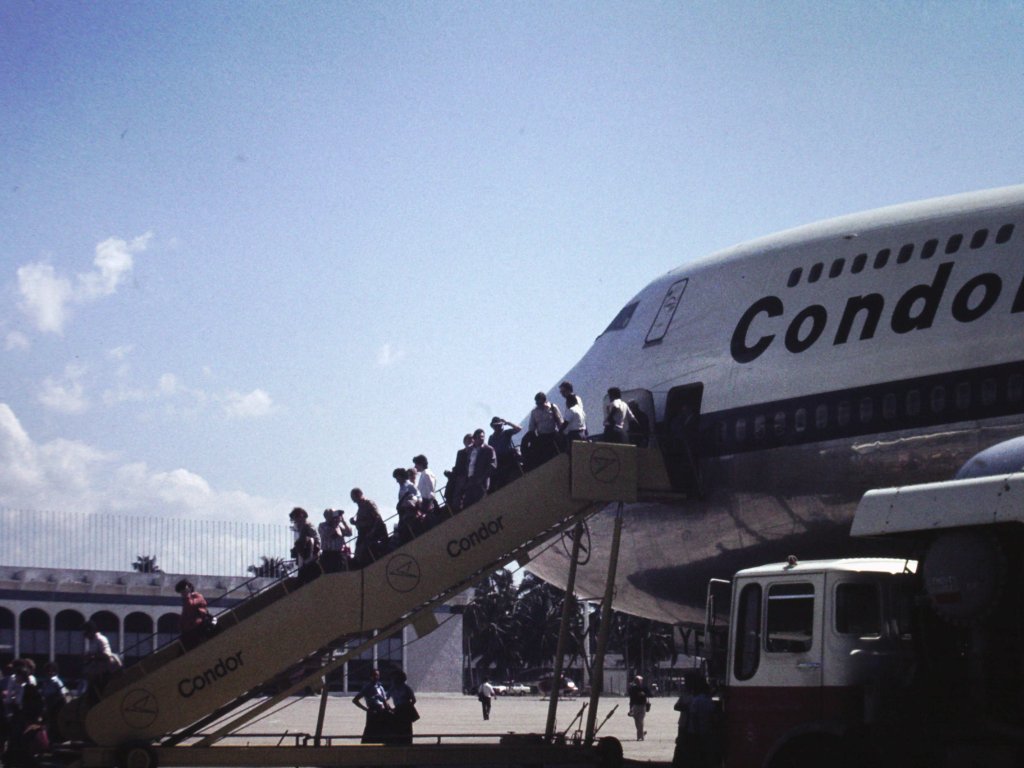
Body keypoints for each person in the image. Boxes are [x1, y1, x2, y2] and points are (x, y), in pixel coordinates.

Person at [673, 672, 716, 768]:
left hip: (693, 728)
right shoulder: (688, 695)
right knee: (682, 746)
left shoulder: (698, 698)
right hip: (685, 724)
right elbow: (676, 706)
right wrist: (687, 707)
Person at [350, 489, 389, 567]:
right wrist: (355, 523)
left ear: (359, 495)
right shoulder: (360, 508)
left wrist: (372, 532)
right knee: (359, 551)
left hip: (373, 533)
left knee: (366, 549)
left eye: (355, 497)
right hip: (364, 534)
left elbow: (377, 518)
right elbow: (363, 522)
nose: (354, 500)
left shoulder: (368, 503)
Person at [352, 668, 391, 743]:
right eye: (374, 675)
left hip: (382, 711)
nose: (376, 677)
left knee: (382, 731)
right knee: (371, 731)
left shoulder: (380, 687)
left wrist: (388, 708)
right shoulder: (367, 687)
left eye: (378, 675)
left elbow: (385, 700)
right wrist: (366, 709)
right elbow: (355, 700)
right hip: (373, 711)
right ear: (371, 677)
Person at [525, 392, 563, 468]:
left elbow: (559, 421)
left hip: (553, 434)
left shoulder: (552, 407)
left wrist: (561, 432)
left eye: (540, 403)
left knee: (559, 451)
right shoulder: (534, 412)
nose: (538, 405)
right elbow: (531, 427)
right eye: (537, 403)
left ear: (544, 400)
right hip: (542, 437)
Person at [82, 621, 121, 694]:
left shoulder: (100, 639)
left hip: (107, 670)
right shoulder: (93, 641)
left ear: (91, 631)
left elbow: (107, 654)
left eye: (86, 633)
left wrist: (92, 656)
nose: (85, 636)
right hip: (100, 670)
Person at [463, 429, 497, 508]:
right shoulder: (470, 450)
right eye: (479, 437)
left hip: (481, 482)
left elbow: (493, 465)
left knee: (482, 504)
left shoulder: (488, 449)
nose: (481, 439)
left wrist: (482, 478)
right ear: (475, 439)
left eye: (482, 437)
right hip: (471, 482)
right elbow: (469, 464)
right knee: (468, 505)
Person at [488, 417, 523, 492]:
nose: (498, 427)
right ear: (493, 427)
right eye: (496, 425)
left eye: (499, 425)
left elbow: (519, 429)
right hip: (499, 462)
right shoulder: (491, 438)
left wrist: (508, 422)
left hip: (510, 458)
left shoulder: (506, 433)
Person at [289, 507, 322, 585]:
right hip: (308, 554)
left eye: (296, 518)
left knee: (305, 578)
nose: (296, 521)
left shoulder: (306, 526)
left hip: (310, 554)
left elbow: (305, 540)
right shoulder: (303, 526)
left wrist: (299, 548)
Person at [175, 578, 210, 649]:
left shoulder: (197, 596)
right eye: (181, 592)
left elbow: (191, 605)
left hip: (198, 628)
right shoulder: (185, 600)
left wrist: (187, 595)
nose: (182, 594)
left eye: (183, 591)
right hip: (188, 631)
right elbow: (185, 614)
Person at [443, 434, 473, 513]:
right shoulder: (461, 453)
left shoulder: (476, 450)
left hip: (471, 474)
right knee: (454, 487)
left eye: (472, 439)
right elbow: (458, 466)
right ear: (464, 442)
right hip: (461, 475)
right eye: (469, 439)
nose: (471, 440)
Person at [387, 670, 418, 745]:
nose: (393, 680)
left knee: (406, 730)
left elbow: (413, 700)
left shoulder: (406, 688)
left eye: (395, 678)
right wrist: (389, 708)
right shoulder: (392, 688)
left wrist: (407, 707)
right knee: (397, 730)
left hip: (405, 711)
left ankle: (407, 744)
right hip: (397, 710)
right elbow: (385, 698)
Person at [393, 467, 423, 544]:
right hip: (404, 513)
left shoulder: (409, 485)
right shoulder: (402, 488)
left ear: (402, 476)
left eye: (397, 478)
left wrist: (411, 502)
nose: (397, 481)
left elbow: (418, 496)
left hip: (411, 512)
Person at [627, 674, 652, 741]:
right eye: (636, 680)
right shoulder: (633, 689)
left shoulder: (644, 688)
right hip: (635, 706)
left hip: (642, 706)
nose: (637, 681)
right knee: (637, 721)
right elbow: (631, 699)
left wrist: (644, 694)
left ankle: (639, 737)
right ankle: (642, 733)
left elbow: (650, 694)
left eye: (638, 680)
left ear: (641, 681)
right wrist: (630, 708)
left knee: (640, 720)